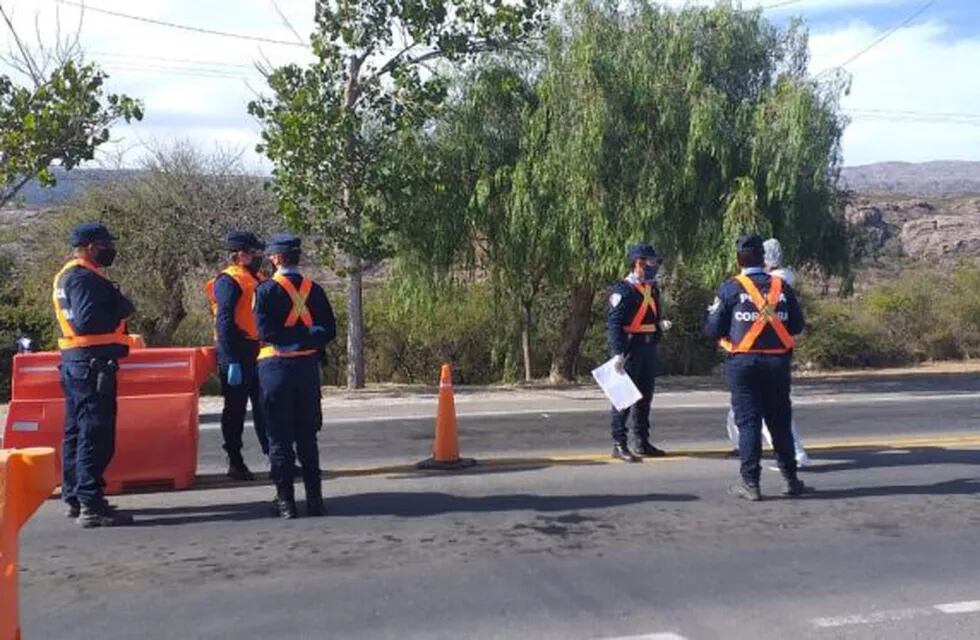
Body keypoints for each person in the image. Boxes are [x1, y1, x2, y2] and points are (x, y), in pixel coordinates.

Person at [704, 234, 808, 501]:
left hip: (744, 364)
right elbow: (796, 325)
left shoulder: (730, 288)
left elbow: (712, 330)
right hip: (777, 363)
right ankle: (791, 479)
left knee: (749, 422)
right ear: (764, 258)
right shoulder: (781, 288)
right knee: (780, 422)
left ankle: (750, 483)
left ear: (739, 259)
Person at [53, 222, 135, 527]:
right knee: (95, 433)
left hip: (78, 362)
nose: (109, 250)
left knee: (76, 432)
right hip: (92, 365)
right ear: (89, 247)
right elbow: (89, 321)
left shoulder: (69, 275)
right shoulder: (84, 278)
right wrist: (121, 305)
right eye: (104, 245)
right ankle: (90, 503)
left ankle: (75, 496)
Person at [254, 234, 336, 519]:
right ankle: (315, 500)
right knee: (307, 437)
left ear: (275, 258)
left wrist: (292, 339)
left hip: (275, 369)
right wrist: (308, 338)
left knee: (279, 438)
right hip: (306, 370)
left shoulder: (265, 291)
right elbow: (329, 330)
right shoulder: (315, 290)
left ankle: (285, 502)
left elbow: (267, 333)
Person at [723, 238, 809, 467]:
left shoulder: (778, 281)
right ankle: (742, 445)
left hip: (761, 352)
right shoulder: (773, 281)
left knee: (769, 415)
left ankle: (796, 455)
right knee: (739, 408)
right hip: (761, 354)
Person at [205, 231, 269, 481]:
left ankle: (275, 456)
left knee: (266, 406)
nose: (258, 257)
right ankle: (235, 460)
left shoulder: (258, 278)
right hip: (236, 349)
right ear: (240, 254)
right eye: (254, 252)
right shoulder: (228, 281)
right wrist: (230, 359)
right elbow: (224, 321)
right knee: (236, 409)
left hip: (257, 348)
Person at [605, 243, 672, 463]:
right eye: (650, 262)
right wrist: (617, 353)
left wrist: (658, 323)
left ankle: (642, 441)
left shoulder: (652, 288)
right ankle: (619, 443)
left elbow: (651, 314)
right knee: (623, 398)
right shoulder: (622, 290)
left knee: (644, 397)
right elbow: (614, 323)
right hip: (630, 348)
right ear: (638, 263)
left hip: (648, 346)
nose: (654, 266)